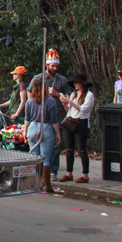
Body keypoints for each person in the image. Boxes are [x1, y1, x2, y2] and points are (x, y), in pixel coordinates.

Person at [32, 50, 71, 180]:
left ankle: (52, 171)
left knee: (55, 143)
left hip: (57, 114)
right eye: (52, 66)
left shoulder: (62, 80)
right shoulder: (38, 78)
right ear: (46, 65)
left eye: (56, 66)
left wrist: (56, 94)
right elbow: (29, 93)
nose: (54, 68)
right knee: (39, 142)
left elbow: (67, 98)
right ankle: (39, 171)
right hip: (41, 115)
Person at [23, 77, 61, 193]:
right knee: (46, 159)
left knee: (35, 158)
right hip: (46, 127)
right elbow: (54, 120)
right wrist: (58, 133)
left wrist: (25, 131)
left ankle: (35, 183)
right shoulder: (50, 101)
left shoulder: (29, 101)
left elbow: (27, 118)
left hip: (32, 128)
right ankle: (47, 184)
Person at [59, 73, 95, 183]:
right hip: (70, 121)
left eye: (77, 82)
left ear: (82, 84)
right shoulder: (74, 94)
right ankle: (69, 173)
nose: (75, 84)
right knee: (69, 149)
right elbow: (70, 110)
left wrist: (69, 101)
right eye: (74, 83)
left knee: (81, 149)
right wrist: (65, 103)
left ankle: (85, 175)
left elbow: (83, 109)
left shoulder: (89, 95)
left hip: (81, 122)